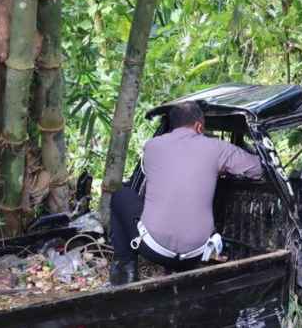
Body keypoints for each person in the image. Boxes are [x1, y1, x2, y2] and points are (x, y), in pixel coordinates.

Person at [108, 102, 264, 285]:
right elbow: (259, 169)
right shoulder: (217, 148)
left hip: (153, 249)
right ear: (199, 126)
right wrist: (220, 168)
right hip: (198, 253)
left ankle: (124, 273)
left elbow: (173, 175)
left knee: (120, 195)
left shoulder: (151, 147)